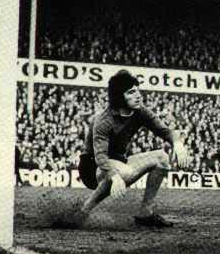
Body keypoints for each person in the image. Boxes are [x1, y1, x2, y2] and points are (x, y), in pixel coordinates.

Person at [65, 69, 189, 228]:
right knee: (123, 172)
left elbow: (166, 132)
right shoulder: (104, 121)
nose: (138, 95)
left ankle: (146, 213)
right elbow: (100, 156)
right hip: (92, 168)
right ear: (119, 97)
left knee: (162, 158)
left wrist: (178, 144)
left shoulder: (140, 111)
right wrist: (114, 176)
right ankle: (82, 212)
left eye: (138, 90)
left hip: (118, 162)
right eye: (131, 92)